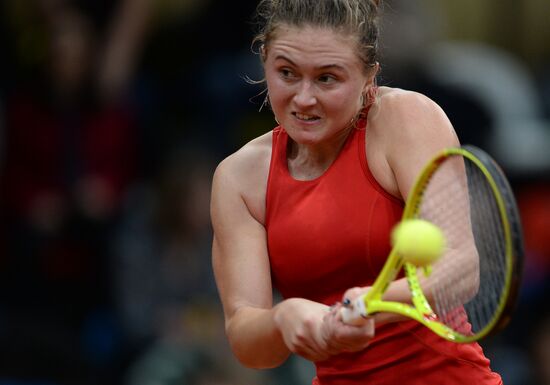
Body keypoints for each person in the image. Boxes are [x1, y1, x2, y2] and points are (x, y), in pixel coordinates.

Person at [210, 0, 503, 384]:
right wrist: (285, 317)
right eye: (287, 73)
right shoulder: (239, 178)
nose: (304, 98)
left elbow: (460, 268)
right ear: (264, 61)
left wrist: (369, 305)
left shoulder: (407, 120)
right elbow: (249, 345)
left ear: (370, 77)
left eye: (327, 78)